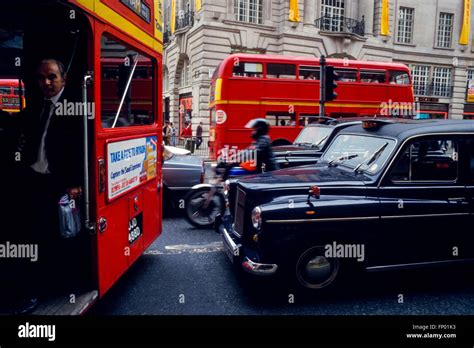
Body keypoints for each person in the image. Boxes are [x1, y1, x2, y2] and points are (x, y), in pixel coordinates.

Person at [10, 58, 84, 314]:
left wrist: (74, 181)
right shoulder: (37, 106)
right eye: (41, 78)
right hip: (33, 180)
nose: (46, 82)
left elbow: (80, 145)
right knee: (31, 234)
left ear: (63, 79)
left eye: (52, 77)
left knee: (45, 237)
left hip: (58, 184)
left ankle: (35, 292)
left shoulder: (74, 106)